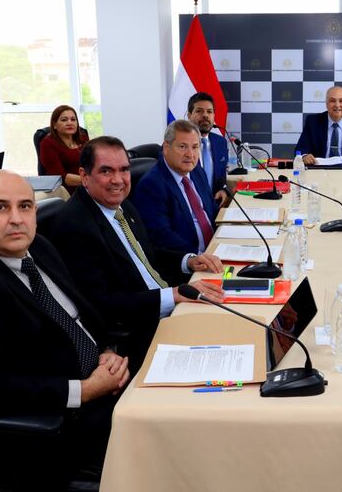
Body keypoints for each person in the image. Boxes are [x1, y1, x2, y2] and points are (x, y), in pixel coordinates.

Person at [0, 170, 129, 482]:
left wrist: (105, 351)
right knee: (165, 445)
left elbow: (84, 315)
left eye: (25, 206)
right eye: (0, 207)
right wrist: (86, 390)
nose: (16, 219)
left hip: (102, 383)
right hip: (58, 422)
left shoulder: (40, 248)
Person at [50, 136, 224, 372]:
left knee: (242, 321)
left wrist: (188, 260)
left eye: (124, 170)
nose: (118, 180)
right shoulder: (75, 225)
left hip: (167, 307)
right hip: (141, 330)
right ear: (84, 175)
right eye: (106, 171)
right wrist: (172, 296)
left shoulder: (122, 205)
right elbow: (102, 304)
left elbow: (147, 254)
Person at [133, 120, 222, 256]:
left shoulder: (196, 171)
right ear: (166, 148)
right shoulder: (152, 185)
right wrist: (197, 256)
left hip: (216, 248)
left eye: (195, 147)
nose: (190, 154)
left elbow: (211, 209)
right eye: (182, 146)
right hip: (190, 261)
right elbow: (162, 237)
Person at [187, 92, 229, 205]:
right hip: (192, 209)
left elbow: (221, 177)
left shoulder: (220, 142)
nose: (205, 115)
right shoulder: (177, 145)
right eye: (199, 111)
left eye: (209, 111)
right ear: (189, 115)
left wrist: (223, 190)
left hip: (215, 205)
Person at [39, 105, 89, 193]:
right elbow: (60, 177)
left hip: (87, 186)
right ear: (54, 124)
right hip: (63, 191)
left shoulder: (83, 138)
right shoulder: (47, 143)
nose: (70, 123)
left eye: (73, 119)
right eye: (64, 120)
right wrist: (90, 181)